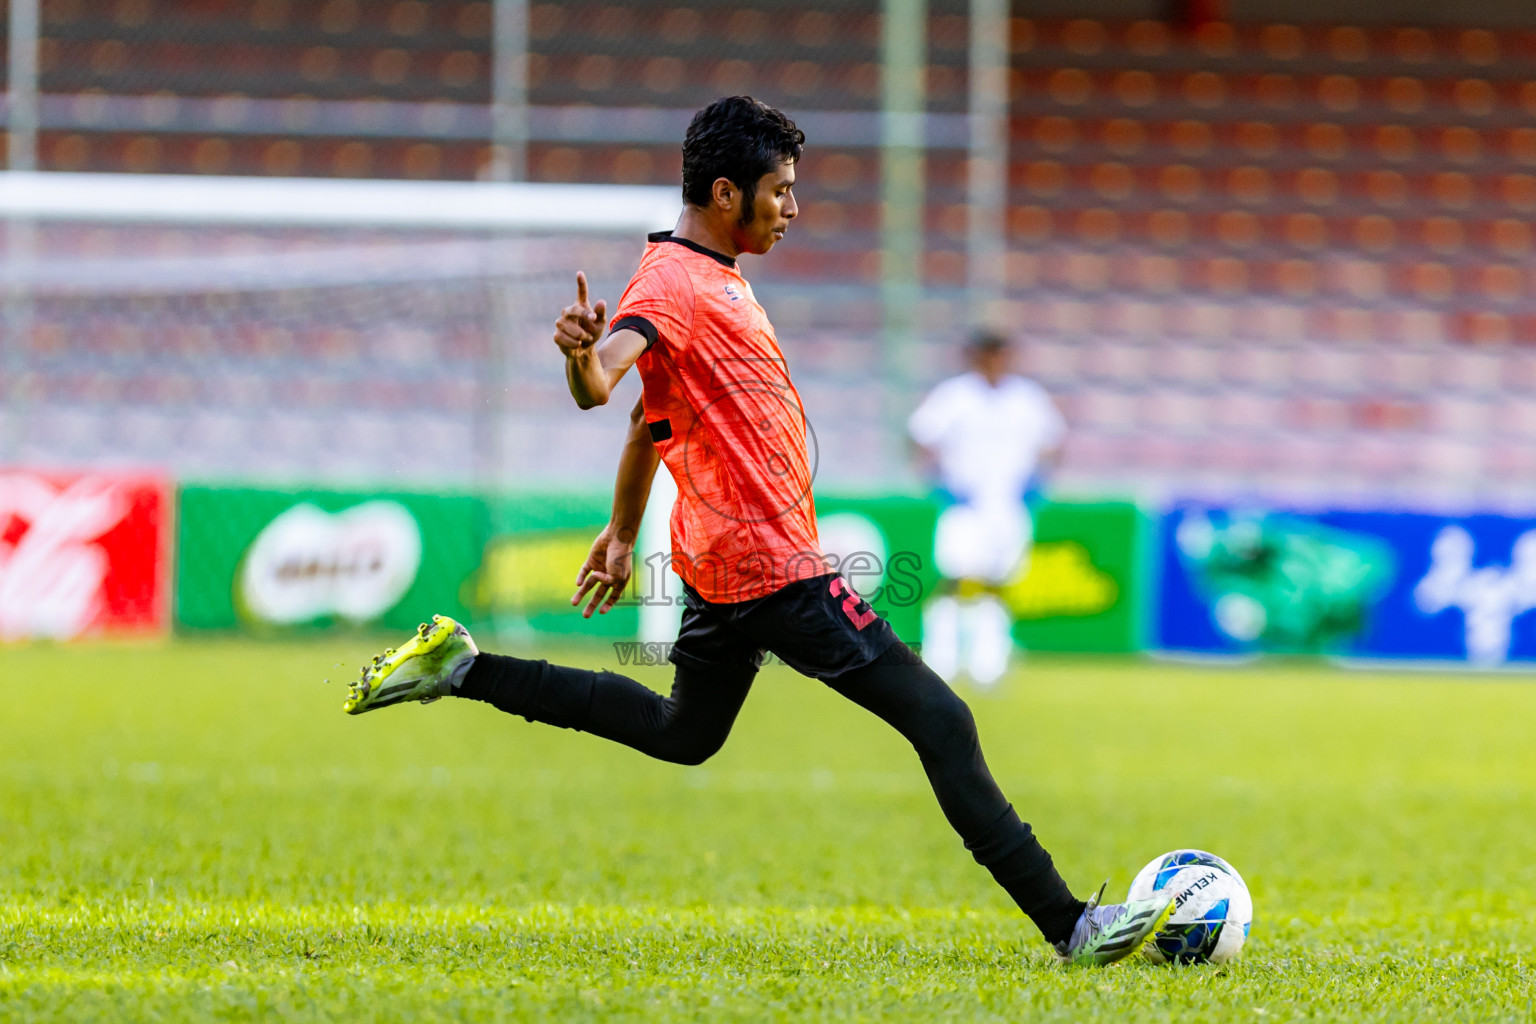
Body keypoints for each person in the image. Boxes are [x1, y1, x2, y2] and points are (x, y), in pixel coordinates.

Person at [339, 96, 1171, 964]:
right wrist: (581, 358)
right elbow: (603, 388)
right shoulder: (669, 286)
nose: (794, 208)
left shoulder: (714, 277)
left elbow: (643, 426)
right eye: (782, 190)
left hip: (720, 565)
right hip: (774, 569)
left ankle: (463, 667)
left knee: (683, 734)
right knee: (943, 720)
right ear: (727, 193)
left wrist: (623, 534)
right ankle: (1071, 924)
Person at [908, 333, 1066, 686]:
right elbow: (920, 436)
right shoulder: (955, 396)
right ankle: (941, 659)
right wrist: (936, 482)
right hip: (967, 506)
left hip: (1009, 507)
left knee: (999, 583)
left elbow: (1052, 441)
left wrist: (1039, 482)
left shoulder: (1027, 397)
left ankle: (988, 663)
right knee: (955, 579)